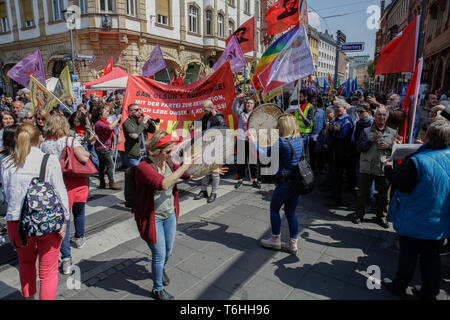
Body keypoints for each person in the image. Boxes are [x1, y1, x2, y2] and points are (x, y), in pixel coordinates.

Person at [134, 131, 227, 299]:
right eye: (168, 151)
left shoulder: (168, 162)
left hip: (169, 213)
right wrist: (184, 165)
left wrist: (210, 170)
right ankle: (157, 289)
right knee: (159, 253)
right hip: (151, 216)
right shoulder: (144, 167)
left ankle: (160, 269)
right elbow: (162, 184)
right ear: (156, 150)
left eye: (171, 151)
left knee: (168, 251)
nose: (171, 154)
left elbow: (188, 175)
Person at [382, 119, 450, 300]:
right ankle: (430, 292)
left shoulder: (418, 161)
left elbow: (402, 184)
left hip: (415, 218)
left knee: (408, 257)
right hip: (440, 219)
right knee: (431, 259)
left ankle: (399, 287)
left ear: (427, 136)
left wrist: (388, 169)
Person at [2, 124, 69, 300]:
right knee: (48, 272)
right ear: (39, 138)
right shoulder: (49, 159)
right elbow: (61, 193)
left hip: (16, 221)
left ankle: (28, 297)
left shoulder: (7, 162)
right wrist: (65, 219)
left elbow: (8, 195)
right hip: (46, 221)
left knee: (25, 263)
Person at [41, 114, 92, 274]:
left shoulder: (45, 143)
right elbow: (85, 156)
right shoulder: (69, 140)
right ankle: (79, 237)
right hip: (75, 181)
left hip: (56, 183)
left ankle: (65, 259)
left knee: (63, 219)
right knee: (78, 212)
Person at [252, 114, 303, 255]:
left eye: (278, 125)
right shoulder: (299, 139)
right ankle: (293, 243)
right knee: (291, 213)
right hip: (297, 182)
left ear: (284, 126)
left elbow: (263, 156)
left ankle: (275, 240)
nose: (276, 127)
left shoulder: (281, 142)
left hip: (284, 183)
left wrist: (252, 140)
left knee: (274, 209)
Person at [353, 106, 397, 228]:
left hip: (384, 167)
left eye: (384, 115)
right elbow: (360, 147)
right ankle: (359, 214)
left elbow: (397, 151)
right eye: (379, 115)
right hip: (366, 167)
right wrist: (372, 140)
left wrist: (388, 146)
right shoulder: (366, 131)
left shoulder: (393, 132)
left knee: (384, 195)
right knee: (362, 193)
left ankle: (381, 216)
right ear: (374, 116)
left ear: (387, 117)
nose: (381, 117)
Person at [193, 99, 227, 203]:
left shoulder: (219, 119)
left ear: (212, 108)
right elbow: (199, 121)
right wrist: (193, 125)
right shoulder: (206, 116)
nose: (204, 112)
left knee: (214, 172)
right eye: (203, 110)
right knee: (204, 170)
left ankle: (214, 192)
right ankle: (203, 191)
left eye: (205, 110)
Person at [325, 98, 354, 206]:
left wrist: (330, 130)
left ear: (344, 108)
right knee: (333, 174)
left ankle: (337, 199)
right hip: (332, 151)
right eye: (335, 107)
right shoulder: (336, 119)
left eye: (338, 107)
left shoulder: (347, 120)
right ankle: (334, 194)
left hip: (340, 153)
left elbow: (342, 135)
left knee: (338, 175)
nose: (336, 109)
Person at [232, 92, 261, 189]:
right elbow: (233, 108)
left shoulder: (257, 115)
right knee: (241, 162)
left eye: (251, 103)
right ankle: (240, 179)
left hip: (252, 141)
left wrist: (253, 136)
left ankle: (254, 180)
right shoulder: (241, 114)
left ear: (254, 105)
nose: (248, 104)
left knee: (253, 161)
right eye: (247, 103)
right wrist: (237, 98)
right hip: (241, 140)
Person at [92, 105, 122, 190]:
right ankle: (112, 183)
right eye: (105, 112)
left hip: (105, 146)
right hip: (102, 147)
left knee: (102, 166)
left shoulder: (104, 121)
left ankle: (102, 183)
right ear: (100, 115)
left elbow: (112, 127)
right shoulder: (99, 123)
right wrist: (117, 119)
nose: (108, 113)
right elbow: (110, 128)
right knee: (110, 165)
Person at [122, 104, 156, 168]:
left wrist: (151, 122)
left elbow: (152, 131)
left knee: (144, 175)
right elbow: (135, 135)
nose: (140, 111)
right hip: (134, 156)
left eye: (140, 109)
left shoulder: (141, 122)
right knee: (133, 176)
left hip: (145, 154)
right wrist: (144, 122)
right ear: (130, 112)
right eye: (137, 110)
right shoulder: (127, 123)